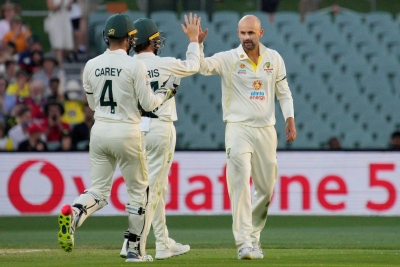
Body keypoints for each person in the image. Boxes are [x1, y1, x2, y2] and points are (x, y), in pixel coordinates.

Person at [56, 13, 177, 263]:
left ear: (107, 37)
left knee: (99, 191)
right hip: (128, 131)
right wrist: (166, 92)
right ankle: (134, 250)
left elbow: (91, 103)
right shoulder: (135, 65)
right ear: (131, 39)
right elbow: (149, 104)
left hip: (99, 131)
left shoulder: (90, 64)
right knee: (139, 193)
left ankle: (75, 213)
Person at [198, 15, 296, 260]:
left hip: (266, 130)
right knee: (240, 182)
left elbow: (283, 92)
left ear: (260, 33)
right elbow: (201, 67)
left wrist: (290, 119)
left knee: (265, 189)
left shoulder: (274, 59)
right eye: (242, 33)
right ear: (238, 33)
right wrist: (197, 44)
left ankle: (253, 238)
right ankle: (243, 242)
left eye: (251, 33)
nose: (246, 38)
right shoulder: (228, 58)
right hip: (238, 129)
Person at [119, 14, 200, 260]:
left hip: (134, 130)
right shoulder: (164, 63)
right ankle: (132, 245)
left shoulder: (127, 67)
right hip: (160, 128)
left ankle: (163, 243)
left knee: (155, 188)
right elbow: (194, 65)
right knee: (152, 190)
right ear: (152, 42)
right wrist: (195, 41)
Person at [45, 0, 74, 68]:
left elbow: (70, 9)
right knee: (58, 45)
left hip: (65, 19)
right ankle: (60, 66)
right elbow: (51, 7)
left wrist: (69, 3)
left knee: (68, 47)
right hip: (55, 20)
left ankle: (58, 61)